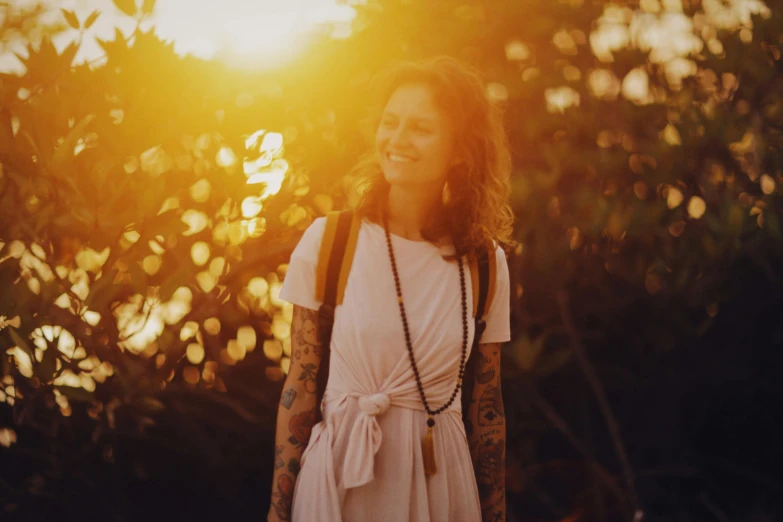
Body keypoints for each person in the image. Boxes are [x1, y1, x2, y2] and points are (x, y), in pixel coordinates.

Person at [267, 55, 515, 522]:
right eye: (390, 122)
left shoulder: (485, 265)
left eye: (420, 128)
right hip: (338, 481)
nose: (397, 140)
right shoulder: (330, 242)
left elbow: (487, 410)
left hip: (442, 487)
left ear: (460, 149)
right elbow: (299, 387)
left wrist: (495, 514)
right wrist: (279, 513)